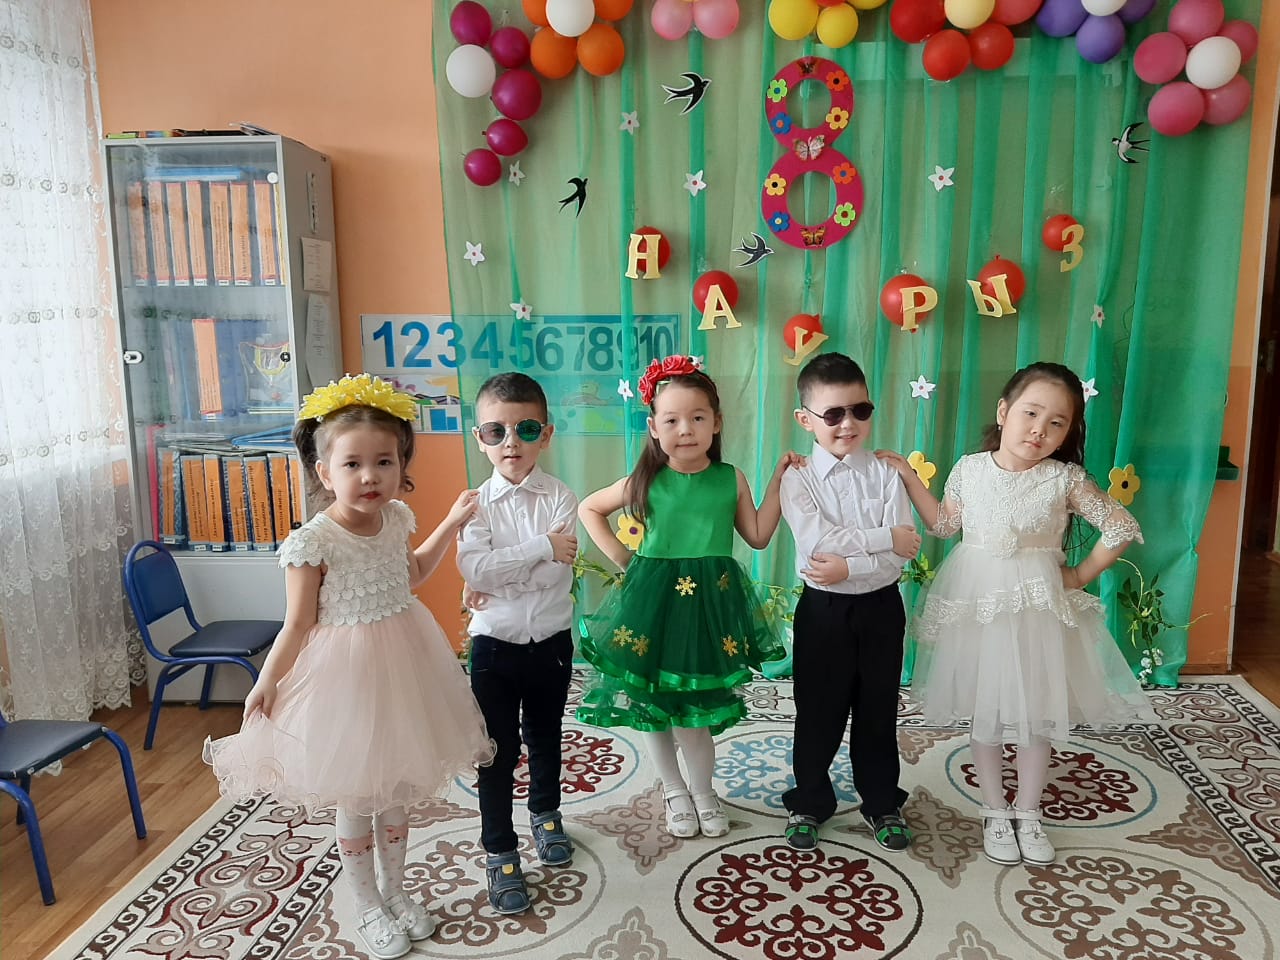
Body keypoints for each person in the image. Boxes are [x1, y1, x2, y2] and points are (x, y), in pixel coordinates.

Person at [204, 374, 494, 960]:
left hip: (406, 662)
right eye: (353, 464)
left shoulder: (396, 518)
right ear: (324, 472)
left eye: (384, 462)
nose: (369, 476)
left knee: (397, 789)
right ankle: (365, 904)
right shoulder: (313, 543)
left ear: (401, 465)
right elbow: (297, 625)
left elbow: (412, 574)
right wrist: (267, 681)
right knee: (358, 796)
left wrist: (450, 523)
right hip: (346, 679)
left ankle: (395, 891)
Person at [877, 361, 1153, 867]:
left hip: (1036, 611)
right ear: (1004, 411)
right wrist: (910, 478)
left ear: (1068, 432)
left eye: (1057, 422)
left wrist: (1079, 575)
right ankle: (994, 809)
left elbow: (1119, 525)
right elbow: (944, 525)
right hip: (980, 604)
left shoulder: (1064, 479)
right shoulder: (969, 468)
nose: (1039, 430)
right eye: (1031, 413)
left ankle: (1028, 811)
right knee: (986, 710)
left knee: (1035, 713)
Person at [576, 355, 795, 840]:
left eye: (697, 417)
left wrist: (778, 481)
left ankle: (702, 791)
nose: (685, 430)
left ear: (716, 423)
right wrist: (624, 559)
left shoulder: (730, 478)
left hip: (708, 609)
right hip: (654, 606)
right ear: (653, 428)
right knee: (653, 705)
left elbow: (758, 535)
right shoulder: (648, 480)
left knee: (695, 713)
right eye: (672, 420)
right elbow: (590, 508)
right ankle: (674, 789)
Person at [779, 353, 921, 853]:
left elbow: (904, 550)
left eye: (860, 410)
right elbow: (818, 543)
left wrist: (851, 565)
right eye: (833, 414)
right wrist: (881, 539)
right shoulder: (797, 478)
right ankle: (809, 800)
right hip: (823, 611)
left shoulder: (886, 473)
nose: (848, 424)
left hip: (882, 607)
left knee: (878, 709)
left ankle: (882, 801)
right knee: (817, 711)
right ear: (806, 420)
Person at [455, 372, 578, 916]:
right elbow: (473, 568)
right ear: (479, 437)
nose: (511, 442)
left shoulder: (562, 496)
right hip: (494, 647)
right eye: (495, 431)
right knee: (495, 753)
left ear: (545, 435)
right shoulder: (474, 504)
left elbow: (556, 573)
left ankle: (546, 815)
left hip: (551, 641)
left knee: (546, 737)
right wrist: (539, 548)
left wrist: (498, 574)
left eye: (526, 429)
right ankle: (500, 850)